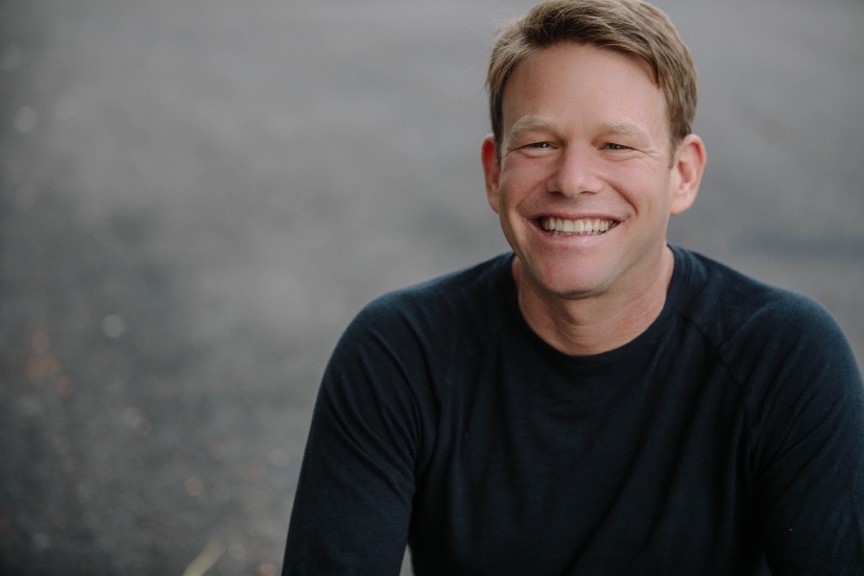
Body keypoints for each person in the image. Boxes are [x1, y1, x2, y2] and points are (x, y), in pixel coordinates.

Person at [282, 0, 864, 574]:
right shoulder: (398, 355)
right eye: (540, 143)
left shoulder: (785, 358)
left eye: (617, 145)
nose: (573, 180)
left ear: (683, 175)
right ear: (494, 171)